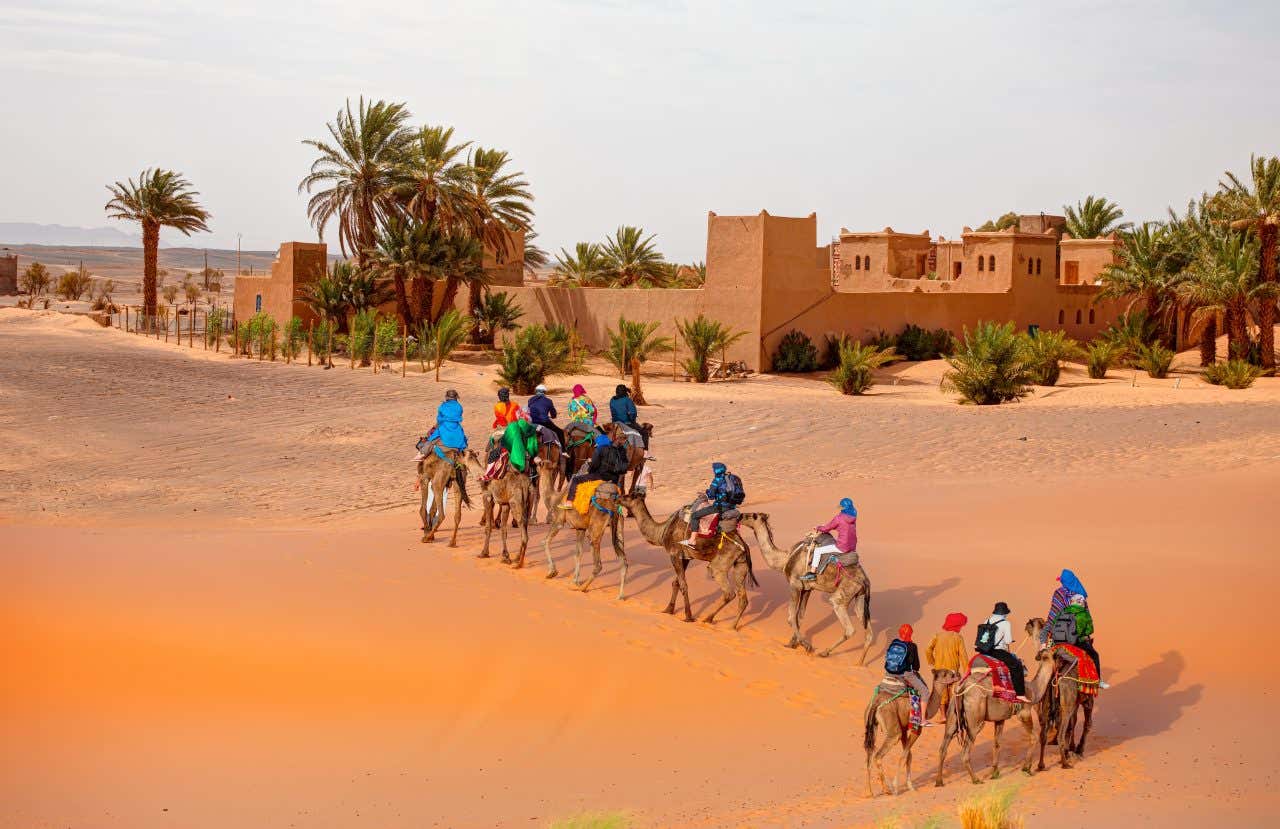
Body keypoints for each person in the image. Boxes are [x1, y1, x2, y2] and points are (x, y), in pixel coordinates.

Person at [680, 462, 742, 548]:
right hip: (732, 506)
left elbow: (711, 496)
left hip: (720, 507)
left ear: (715, 471)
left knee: (694, 515)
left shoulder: (717, 480)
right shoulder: (733, 478)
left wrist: (707, 492)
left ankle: (692, 540)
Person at [978, 601, 1029, 703]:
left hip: (984, 651)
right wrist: (1010, 641)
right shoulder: (1005, 623)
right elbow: (1008, 640)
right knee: (1017, 665)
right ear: (1004, 613)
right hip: (997, 652)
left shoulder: (987, 620)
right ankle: (1020, 694)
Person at [801, 498, 857, 581]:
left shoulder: (839, 518)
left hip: (842, 546)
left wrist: (818, 527)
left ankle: (812, 573)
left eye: (841, 507)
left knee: (818, 550)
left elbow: (827, 528)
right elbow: (844, 528)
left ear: (843, 508)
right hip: (852, 546)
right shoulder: (853, 517)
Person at [1057, 594, 1107, 689]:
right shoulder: (1084, 613)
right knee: (1095, 655)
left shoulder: (1063, 611)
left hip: (1059, 644)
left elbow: (1055, 624)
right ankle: (1098, 681)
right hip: (1076, 643)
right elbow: (1090, 630)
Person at [885, 624, 931, 724]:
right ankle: (922, 719)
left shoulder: (894, 642)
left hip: (889, 673)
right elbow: (916, 666)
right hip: (904, 674)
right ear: (911, 634)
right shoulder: (912, 646)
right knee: (924, 691)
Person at [926, 612, 968, 721]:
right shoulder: (958, 637)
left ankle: (943, 715)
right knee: (953, 692)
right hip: (953, 671)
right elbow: (963, 655)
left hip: (939, 671)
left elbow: (928, 649)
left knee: (941, 693)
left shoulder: (937, 635)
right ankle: (953, 714)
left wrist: (932, 661)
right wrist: (967, 671)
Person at [565, 433, 628, 502]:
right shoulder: (623, 451)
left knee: (576, 479)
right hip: (614, 479)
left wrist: (589, 471)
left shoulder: (601, 449)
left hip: (600, 476)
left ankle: (569, 502)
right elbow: (624, 469)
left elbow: (594, 465)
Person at [416, 389, 467, 458]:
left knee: (431, 440)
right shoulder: (459, 406)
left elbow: (439, 419)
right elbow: (459, 416)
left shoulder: (443, 406)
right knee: (464, 440)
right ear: (456, 397)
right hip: (456, 427)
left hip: (444, 427)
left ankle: (422, 454)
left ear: (446, 397)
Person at [1042, 569, 1088, 643]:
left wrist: (1044, 634)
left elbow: (1053, 614)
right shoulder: (1081, 595)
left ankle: (1043, 646)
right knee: (1092, 653)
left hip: (1059, 632)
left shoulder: (1059, 593)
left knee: (1044, 640)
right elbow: (1086, 616)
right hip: (1078, 633)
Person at [609, 384, 647, 449]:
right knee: (645, 433)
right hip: (626, 423)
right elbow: (633, 413)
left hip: (615, 424)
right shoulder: (627, 400)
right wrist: (632, 420)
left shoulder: (612, 400)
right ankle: (646, 452)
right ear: (625, 392)